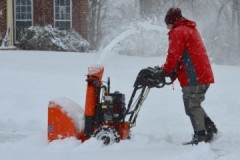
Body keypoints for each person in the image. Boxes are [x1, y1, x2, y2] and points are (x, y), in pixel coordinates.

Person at [154, 8, 217, 145]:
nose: (167, 27)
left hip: (194, 77)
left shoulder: (178, 31)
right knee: (193, 105)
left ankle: (201, 136)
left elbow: (174, 56)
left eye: (167, 24)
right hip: (201, 74)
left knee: (192, 106)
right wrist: (169, 71)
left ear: (172, 21)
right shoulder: (189, 29)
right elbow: (183, 57)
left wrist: (165, 71)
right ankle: (210, 127)